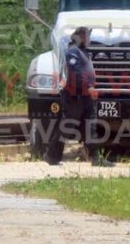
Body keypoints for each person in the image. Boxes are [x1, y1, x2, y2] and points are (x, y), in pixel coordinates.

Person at [44, 27, 111, 167]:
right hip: (74, 96)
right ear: (79, 36)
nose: (89, 39)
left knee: (90, 127)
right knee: (66, 126)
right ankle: (52, 156)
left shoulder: (84, 52)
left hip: (86, 96)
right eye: (87, 36)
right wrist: (88, 87)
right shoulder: (73, 51)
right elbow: (75, 73)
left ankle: (95, 158)